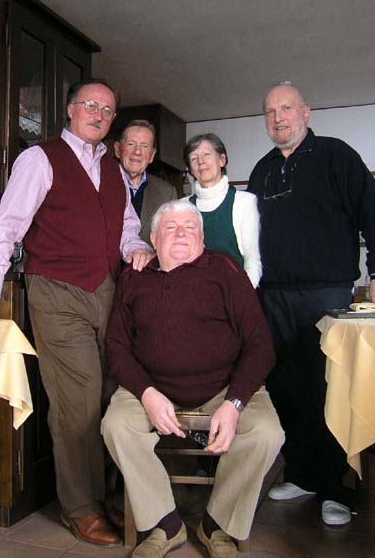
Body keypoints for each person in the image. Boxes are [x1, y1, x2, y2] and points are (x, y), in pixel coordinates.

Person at [0, 79, 155, 546]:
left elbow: (126, 226)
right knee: (77, 398)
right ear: (70, 110)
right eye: (91, 105)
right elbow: (7, 224)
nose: (99, 114)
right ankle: (80, 507)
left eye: (107, 110)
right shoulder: (40, 158)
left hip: (109, 290)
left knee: (111, 392)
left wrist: (136, 246)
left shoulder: (113, 168)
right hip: (58, 290)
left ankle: (106, 495)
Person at [247, 83, 375, 526]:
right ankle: (303, 474)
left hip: (326, 294)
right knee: (284, 390)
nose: (278, 118)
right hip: (272, 297)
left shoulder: (336, 155)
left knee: (329, 390)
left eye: (286, 108)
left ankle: (338, 488)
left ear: (306, 113)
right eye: (270, 111)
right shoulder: (262, 170)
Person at [101, 200, 284, 558]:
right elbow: (117, 347)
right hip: (152, 388)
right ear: (154, 238)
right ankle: (165, 525)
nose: (181, 234)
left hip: (224, 387)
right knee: (117, 425)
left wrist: (234, 403)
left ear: (202, 238)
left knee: (266, 432)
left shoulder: (225, 270)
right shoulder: (134, 277)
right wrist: (147, 393)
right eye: (171, 228)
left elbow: (261, 346)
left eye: (190, 228)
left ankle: (216, 526)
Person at [184, 133, 262, 288]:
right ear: (190, 169)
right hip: (192, 292)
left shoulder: (244, 202)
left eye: (206, 154)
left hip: (233, 292)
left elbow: (253, 263)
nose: (200, 162)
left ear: (222, 160)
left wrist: (241, 296)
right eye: (194, 158)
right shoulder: (182, 206)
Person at [115, 119, 178, 244]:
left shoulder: (167, 193)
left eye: (144, 146)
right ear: (117, 149)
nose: (137, 152)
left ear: (152, 155)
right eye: (131, 144)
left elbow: (170, 240)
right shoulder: (99, 183)